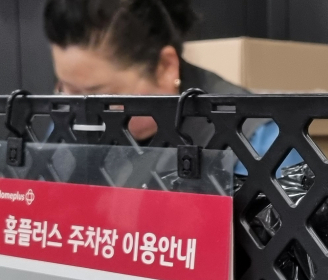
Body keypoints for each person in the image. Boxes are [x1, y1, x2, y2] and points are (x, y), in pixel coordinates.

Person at [43, 0, 298, 172]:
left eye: (99, 96)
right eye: (67, 89)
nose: (81, 112)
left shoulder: (254, 141)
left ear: (165, 67)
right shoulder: (70, 121)